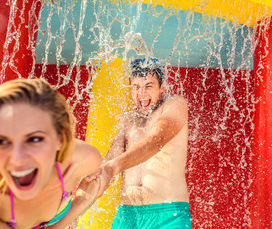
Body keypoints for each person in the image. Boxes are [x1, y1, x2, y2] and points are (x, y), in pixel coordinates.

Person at [94, 58, 192, 228]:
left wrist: (113, 166)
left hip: (168, 215)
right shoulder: (128, 120)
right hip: (127, 215)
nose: (142, 94)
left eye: (148, 86)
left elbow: (156, 141)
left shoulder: (174, 105)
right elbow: (108, 162)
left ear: (161, 88)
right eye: (136, 87)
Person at [0, 78, 102, 229]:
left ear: (61, 139)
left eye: (34, 139)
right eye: (2, 140)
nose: (17, 159)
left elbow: (102, 175)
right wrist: (79, 204)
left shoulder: (84, 159)